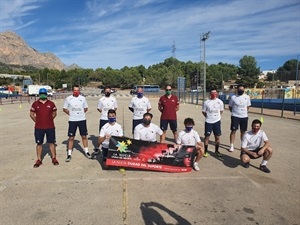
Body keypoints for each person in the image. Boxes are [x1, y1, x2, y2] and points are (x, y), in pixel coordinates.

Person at [30, 88, 59, 167]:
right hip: (39, 127)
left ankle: (54, 158)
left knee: (52, 143)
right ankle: (39, 159)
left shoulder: (51, 103)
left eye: (44, 93)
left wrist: (49, 120)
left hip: (50, 127)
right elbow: (31, 114)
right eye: (41, 93)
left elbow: (54, 113)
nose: (43, 95)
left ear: (46, 94)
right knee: (39, 143)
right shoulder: (35, 104)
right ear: (39, 94)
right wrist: (37, 121)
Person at [63, 85, 91, 162]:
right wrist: (71, 114)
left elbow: (86, 108)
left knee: (84, 136)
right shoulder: (68, 99)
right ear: (72, 91)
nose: (76, 91)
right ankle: (69, 154)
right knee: (71, 137)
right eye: (75, 90)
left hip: (82, 120)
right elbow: (64, 109)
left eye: (78, 90)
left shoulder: (83, 98)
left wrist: (80, 114)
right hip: (72, 120)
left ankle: (87, 151)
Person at [202, 88, 224, 157]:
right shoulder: (206, 102)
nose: (214, 94)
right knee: (207, 137)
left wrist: (216, 117)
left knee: (217, 137)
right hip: (208, 122)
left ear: (217, 93)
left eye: (215, 92)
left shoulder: (220, 102)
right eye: (212, 92)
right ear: (210, 94)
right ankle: (205, 151)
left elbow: (221, 111)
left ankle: (217, 151)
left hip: (217, 121)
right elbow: (203, 111)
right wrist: (208, 116)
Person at [228, 84, 251, 152]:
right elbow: (230, 106)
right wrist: (234, 112)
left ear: (244, 90)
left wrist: (243, 112)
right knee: (233, 131)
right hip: (235, 116)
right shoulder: (233, 97)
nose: (241, 90)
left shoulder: (247, 97)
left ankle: (242, 146)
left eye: (242, 89)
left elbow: (248, 106)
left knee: (243, 131)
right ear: (237, 89)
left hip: (244, 117)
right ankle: (231, 146)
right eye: (240, 89)